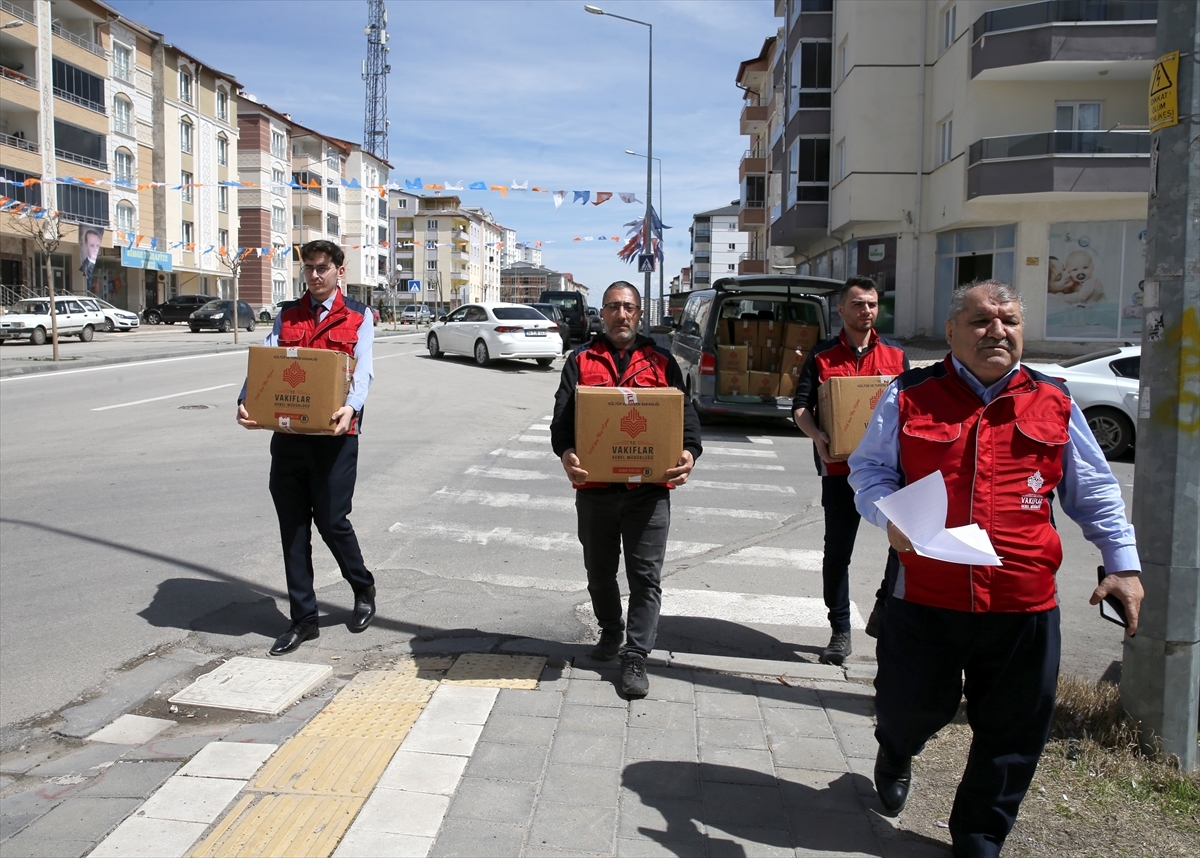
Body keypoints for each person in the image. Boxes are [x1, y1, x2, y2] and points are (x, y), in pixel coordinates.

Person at [848, 280, 1143, 857]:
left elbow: (1097, 494)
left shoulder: (1054, 400)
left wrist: (1123, 565)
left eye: (1008, 321)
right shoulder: (909, 393)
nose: (997, 332)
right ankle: (897, 746)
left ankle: (979, 839)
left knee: (1012, 734)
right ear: (952, 330)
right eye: (981, 321)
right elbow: (868, 471)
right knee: (908, 709)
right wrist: (889, 515)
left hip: (1023, 604)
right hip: (925, 597)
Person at [550, 282, 702, 698]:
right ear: (603, 313)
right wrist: (566, 454)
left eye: (629, 307)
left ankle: (635, 655)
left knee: (645, 577)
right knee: (599, 574)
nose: (622, 314)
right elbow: (562, 421)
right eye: (614, 307)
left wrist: (689, 453)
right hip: (596, 489)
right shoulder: (581, 360)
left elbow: (685, 419)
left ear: (639, 314)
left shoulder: (661, 361)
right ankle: (611, 629)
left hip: (648, 492)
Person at [236, 239, 378, 656]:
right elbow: (264, 363)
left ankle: (362, 585)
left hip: (336, 436)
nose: (314, 276)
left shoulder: (359, 315)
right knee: (293, 529)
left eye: (322, 268)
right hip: (291, 439)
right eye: (309, 269)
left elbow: (364, 370)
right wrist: (246, 401)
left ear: (339, 270)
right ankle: (304, 620)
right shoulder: (286, 315)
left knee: (333, 521)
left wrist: (351, 408)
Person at [791, 276, 908, 665]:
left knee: (904, 545)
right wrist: (817, 435)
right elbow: (800, 407)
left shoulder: (896, 356)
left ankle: (883, 605)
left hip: (890, 472)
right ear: (841, 310)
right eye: (858, 304)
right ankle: (840, 629)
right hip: (839, 470)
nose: (866, 311)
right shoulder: (822, 356)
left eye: (872, 304)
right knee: (837, 553)